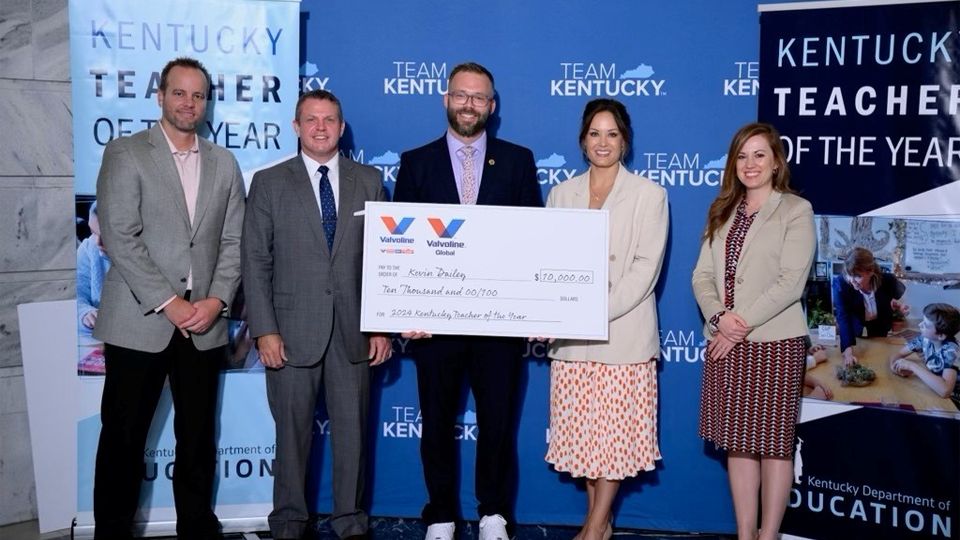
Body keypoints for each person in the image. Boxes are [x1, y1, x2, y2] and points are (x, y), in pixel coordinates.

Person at [92, 57, 245, 540]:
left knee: (198, 440)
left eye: (198, 95)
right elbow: (119, 235)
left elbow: (233, 242)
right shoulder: (127, 152)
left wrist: (217, 301)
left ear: (207, 102)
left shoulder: (224, 162)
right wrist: (169, 301)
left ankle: (197, 528)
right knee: (123, 440)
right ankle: (112, 532)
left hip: (205, 325)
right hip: (141, 322)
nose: (188, 103)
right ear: (160, 96)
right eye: (179, 93)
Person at [393, 62, 542, 540]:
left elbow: (531, 241)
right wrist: (405, 312)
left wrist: (535, 308)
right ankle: (440, 514)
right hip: (435, 326)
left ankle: (493, 513)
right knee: (436, 422)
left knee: (497, 423)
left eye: (479, 97)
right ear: (445, 99)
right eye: (461, 95)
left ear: (491, 106)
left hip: (498, 324)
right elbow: (401, 246)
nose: (469, 104)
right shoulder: (416, 162)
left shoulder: (518, 161)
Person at [241, 89, 392, 540]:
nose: (321, 127)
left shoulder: (370, 180)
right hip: (289, 332)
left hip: (352, 333)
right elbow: (255, 260)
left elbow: (384, 260)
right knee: (291, 439)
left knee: (353, 437)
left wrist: (380, 325)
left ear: (342, 128)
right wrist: (264, 330)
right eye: (311, 119)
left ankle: (350, 521)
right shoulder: (269, 183)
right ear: (296, 127)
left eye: (329, 120)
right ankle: (289, 522)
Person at [543, 99, 667, 540]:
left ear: (625, 141)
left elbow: (644, 272)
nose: (603, 142)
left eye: (612, 134)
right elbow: (548, 263)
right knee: (583, 439)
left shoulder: (650, 195)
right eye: (595, 133)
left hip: (623, 337)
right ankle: (601, 521)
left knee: (612, 442)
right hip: (572, 344)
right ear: (582, 140)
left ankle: (593, 528)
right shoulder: (560, 194)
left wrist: (588, 312)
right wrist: (549, 311)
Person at [691, 122, 815, 540]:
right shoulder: (721, 209)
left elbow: (790, 282)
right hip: (727, 340)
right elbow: (701, 277)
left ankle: (769, 535)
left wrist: (735, 325)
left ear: (777, 161)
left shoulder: (796, 210)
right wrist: (717, 319)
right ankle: (745, 534)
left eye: (759, 154)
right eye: (742, 156)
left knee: (774, 446)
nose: (750, 164)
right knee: (738, 442)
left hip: (775, 343)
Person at [832, 247, 907, 365]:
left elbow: (894, 298)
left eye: (857, 276)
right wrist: (848, 351)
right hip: (854, 327)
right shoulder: (841, 284)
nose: (852, 280)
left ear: (871, 272)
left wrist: (899, 306)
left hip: (880, 325)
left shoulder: (887, 280)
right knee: (861, 351)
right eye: (848, 274)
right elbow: (843, 316)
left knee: (879, 358)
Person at [890, 303, 960, 407]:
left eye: (926, 325)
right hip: (932, 387)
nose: (919, 325)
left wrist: (912, 366)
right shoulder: (925, 338)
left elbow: (945, 391)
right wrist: (895, 367)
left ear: (940, 335)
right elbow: (899, 353)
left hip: (953, 399)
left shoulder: (951, 350)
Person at [77, 202, 111, 338]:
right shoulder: (88, 248)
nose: (97, 243)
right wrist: (85, 313)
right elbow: (76, 294)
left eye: (106, 236)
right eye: (93, 232)